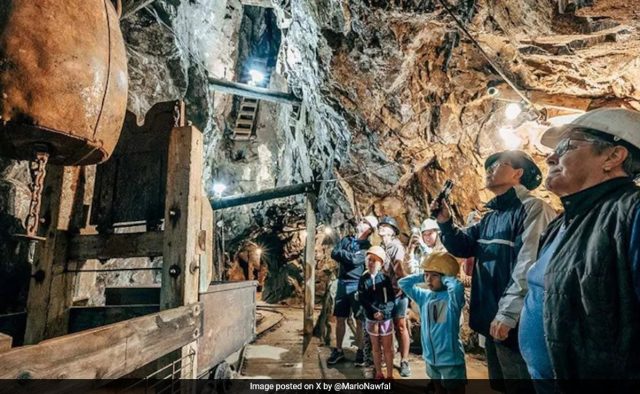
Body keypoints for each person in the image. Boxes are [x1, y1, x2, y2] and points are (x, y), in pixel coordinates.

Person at [519, 108, 640, 387]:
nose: (550, 157)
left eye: (567, 146)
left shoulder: (631, 213)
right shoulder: (566, 221)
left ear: (612, 156)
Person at [431, 150, 555, 393]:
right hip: (492, 318)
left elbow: (529, 264)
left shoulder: (533, 209)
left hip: (515, 322)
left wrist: (508, 314)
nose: (489, 169)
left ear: (518, 173)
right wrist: (445, 222)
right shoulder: (491, 217)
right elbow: (463, 245)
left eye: (497, 164)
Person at [399, 252, 466, 394]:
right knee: (438, 390)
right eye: (426, 275)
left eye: (434, 275)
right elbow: (403, 283)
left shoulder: (451, 299)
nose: (429, 280)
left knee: (455, 390)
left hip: (450, 360)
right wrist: (425, 275)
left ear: (445, 276)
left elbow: (457, 287)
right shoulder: (425, 297)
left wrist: (447, 277)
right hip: (430, 358)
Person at [327, 215, 378, 366]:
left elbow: (356, 260)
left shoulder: (367, 247)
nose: (360, 222)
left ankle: (361, 352)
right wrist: (347, 256)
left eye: (364, 222)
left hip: (357, 284)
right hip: (342, 283)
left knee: (359, 320)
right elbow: (334, 253)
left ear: (369, 229)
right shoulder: (346, 240)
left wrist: (344, 256)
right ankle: (338, 350)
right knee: (340, 318)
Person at [377, 216, 411, 377]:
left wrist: (404, 285)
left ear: (393, 231)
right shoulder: (380, 248)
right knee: (387, 326)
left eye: (385, 225)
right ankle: (387, 356)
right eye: (381, 225)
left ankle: (404, 361)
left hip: (397, 293)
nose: (382, 227)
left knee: (400, 325)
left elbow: (398, 267)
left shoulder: (396, 246)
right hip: (385, 293)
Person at [358, 245, 396, 380]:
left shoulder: (384, 279)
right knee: (375, 347)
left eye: (375, 260)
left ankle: (390, 374)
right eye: (369, 259)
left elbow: (391, 299)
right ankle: (379, 372)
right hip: (371, 317)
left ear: (381, 263)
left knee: (387, 347)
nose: (371, 262)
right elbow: (363, 298)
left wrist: (384, 312)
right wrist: (374, 311)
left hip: (385, 318)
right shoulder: (363, 279)